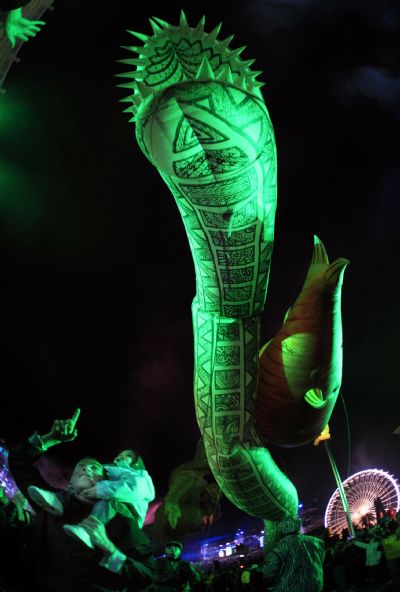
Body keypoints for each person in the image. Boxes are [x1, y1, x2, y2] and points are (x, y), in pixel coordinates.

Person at [8, 409, 156, 591]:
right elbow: (17, 460)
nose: (87, 469)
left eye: (95, 468)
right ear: (70, 482)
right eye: (81, 466)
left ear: (104, 480)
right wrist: (50, 438)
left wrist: (111, 551)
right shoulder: (48, 502)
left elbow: (146, 576)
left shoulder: (121, 520)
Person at [28, 444, 155, 549]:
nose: (123, 455)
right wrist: (75, 485)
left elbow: (135, 488)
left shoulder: (140, 475)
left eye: (129, 456)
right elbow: (90, 475)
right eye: (122, 453)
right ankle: (58, 501)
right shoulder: (110, 469)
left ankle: (87, 530)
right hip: (107, 501)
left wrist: (99, 489)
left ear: (136, 463)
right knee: (81, 494)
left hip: (128, 512)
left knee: (106, 502)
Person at [263, 515, 325, 592]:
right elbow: (321, 560)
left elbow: (268, 571)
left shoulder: (280, 547)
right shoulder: (316, 541)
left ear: (282, 529)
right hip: (316, 585)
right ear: (297, 525)